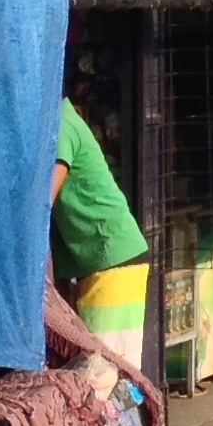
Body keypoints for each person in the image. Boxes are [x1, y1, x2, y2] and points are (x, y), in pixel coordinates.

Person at [49, 98, 152, 375]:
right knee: (101, 370)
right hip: (99, 262)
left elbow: (42, 201)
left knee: (104, 374)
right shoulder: (61, 121)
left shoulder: (60, 124)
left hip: (112, 260)